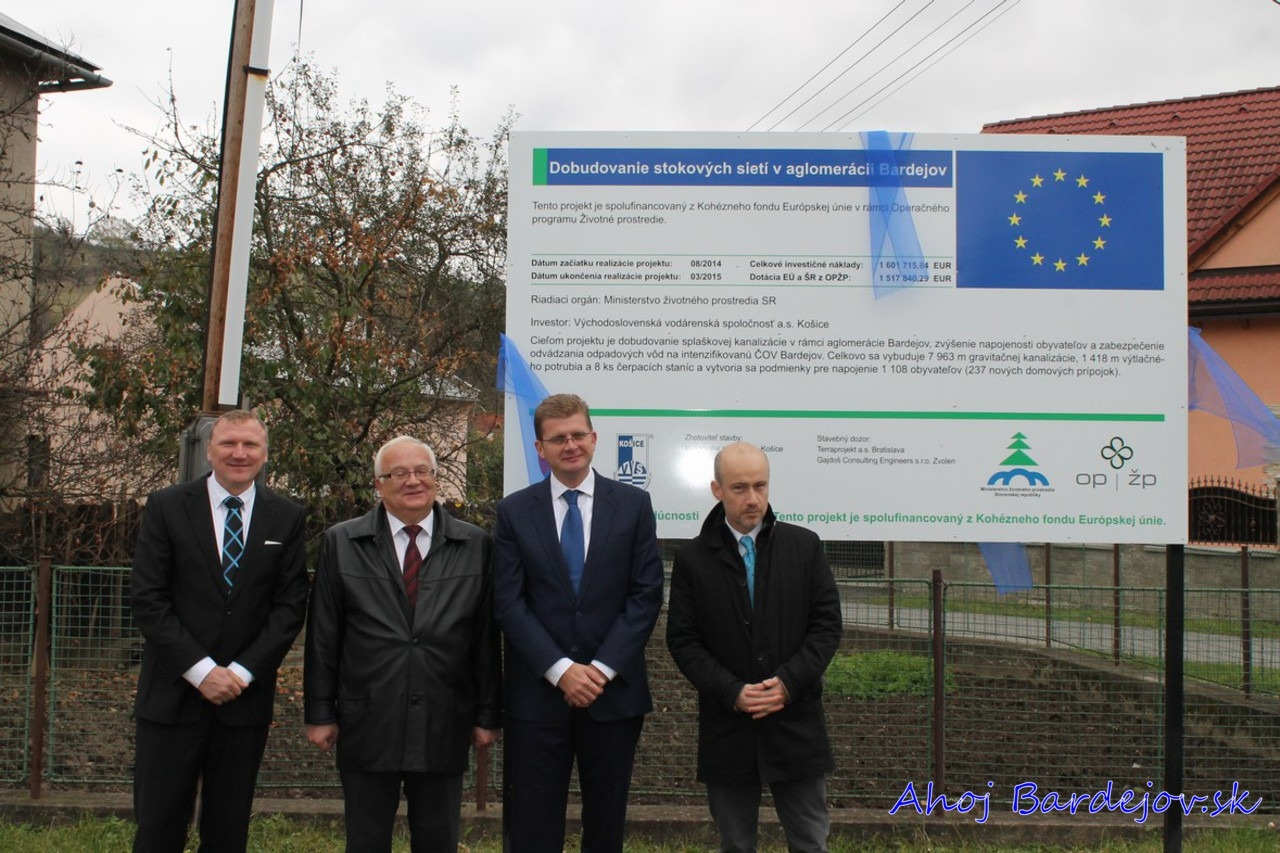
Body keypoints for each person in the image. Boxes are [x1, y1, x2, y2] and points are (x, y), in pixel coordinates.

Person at [304, 435, 501, 853]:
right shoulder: (342, 542)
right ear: (379, 484)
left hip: (443, 718)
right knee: (366, 840)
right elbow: (324, 635)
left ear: (436, 478)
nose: (413, 481)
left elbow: (484, 638)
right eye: (399, 473)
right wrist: (320, 712)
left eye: (422, 471)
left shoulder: (474, 545)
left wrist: (487, 714)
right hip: (368, 718)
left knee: (438, 840)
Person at [129, 409, 309, 852]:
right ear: (209, 451)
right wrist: (202, 671)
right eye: (229, 443)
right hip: (171, 697)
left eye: (250, 445)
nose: (239, 453)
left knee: (228, 832)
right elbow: (149, 599)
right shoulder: (167, 506)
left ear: (265, 454)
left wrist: (241, 673)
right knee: (158, 828)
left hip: (242, 703)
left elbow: (289, 608)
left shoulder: (286, 517)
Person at [492, 393, 664, 852]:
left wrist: (600, 670)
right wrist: (561, 670)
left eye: (577, 435)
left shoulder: (633, 505)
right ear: (540, 448)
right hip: (537, 696)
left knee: (606, 826)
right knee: (531, 827)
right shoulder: (513, 512)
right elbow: (508, 602)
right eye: (558, 438)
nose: (570, 445)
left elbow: (645, 595)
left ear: (594, 438)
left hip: (613, 696)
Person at [666, 441, 842, 853]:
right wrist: (732, 692)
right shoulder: (693, 559)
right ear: (717, 490)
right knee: (735, 844)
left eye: (760, 486)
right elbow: (684, 640)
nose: (753, 499)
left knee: (810, 841)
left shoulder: (804, 546)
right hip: (728, 726)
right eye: (740, 488)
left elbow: (826, 627)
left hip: (795, 722)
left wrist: (787, 684)